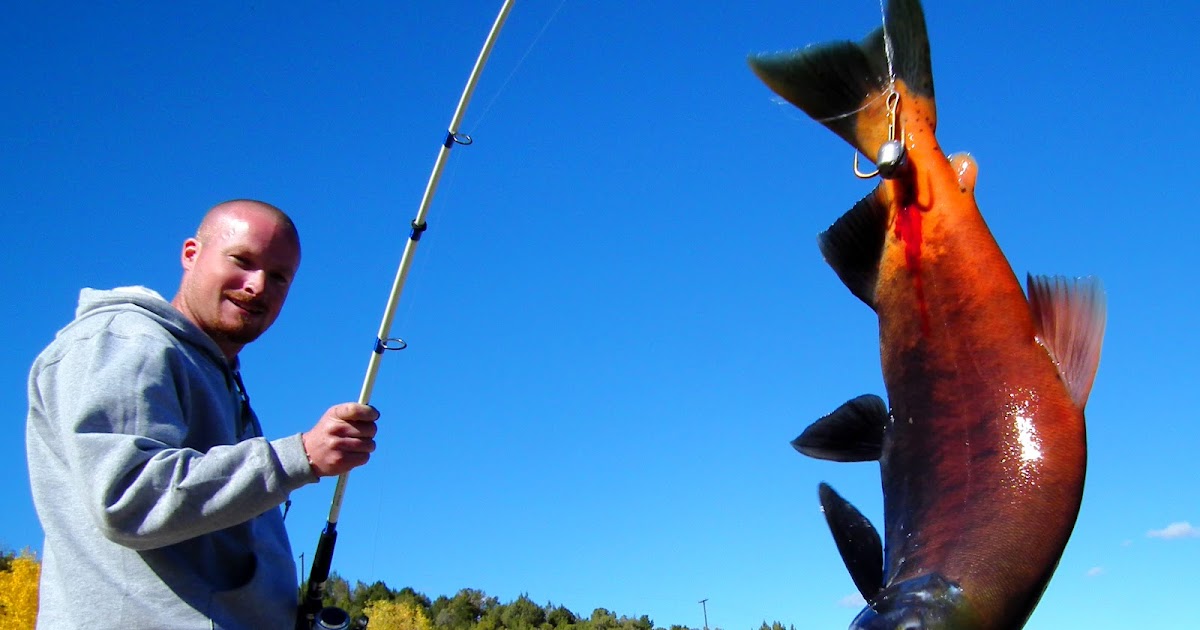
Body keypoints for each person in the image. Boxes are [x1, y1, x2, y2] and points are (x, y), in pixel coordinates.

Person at [25, 199, 380, 629]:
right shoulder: (127, 341)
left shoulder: (219, 379)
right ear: (191, 254)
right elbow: (127, 497)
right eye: (242, 261)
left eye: (279, 277)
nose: (257, 286)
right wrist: (300, 455)